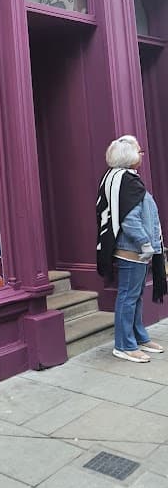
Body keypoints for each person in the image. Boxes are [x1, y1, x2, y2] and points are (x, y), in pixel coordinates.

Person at [96, 135, 166, 363]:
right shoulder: (126, 180)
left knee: (134, 297)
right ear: (130, 156)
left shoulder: (122, 179)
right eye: (139, 152)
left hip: (136, 250)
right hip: (132, 250)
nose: (142, 156)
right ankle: (124, 345)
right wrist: (145, 243)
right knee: (128, 297)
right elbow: (129, 219)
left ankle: (138, 336)